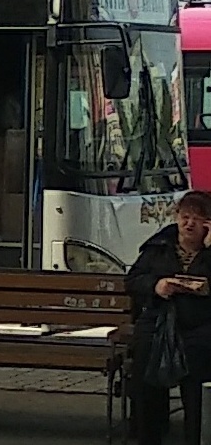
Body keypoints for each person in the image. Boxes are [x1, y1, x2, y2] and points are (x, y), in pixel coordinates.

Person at [125, 190, 211, 445]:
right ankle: (147, 436)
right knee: (146, 380)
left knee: (197, 386)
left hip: (200, 330)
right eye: (185, 217)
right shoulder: (158, 247)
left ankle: (196, 437)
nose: (189, 224)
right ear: (176, 218)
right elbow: (132, 281)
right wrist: (157, 285)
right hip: (158, 326)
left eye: (198, 219)